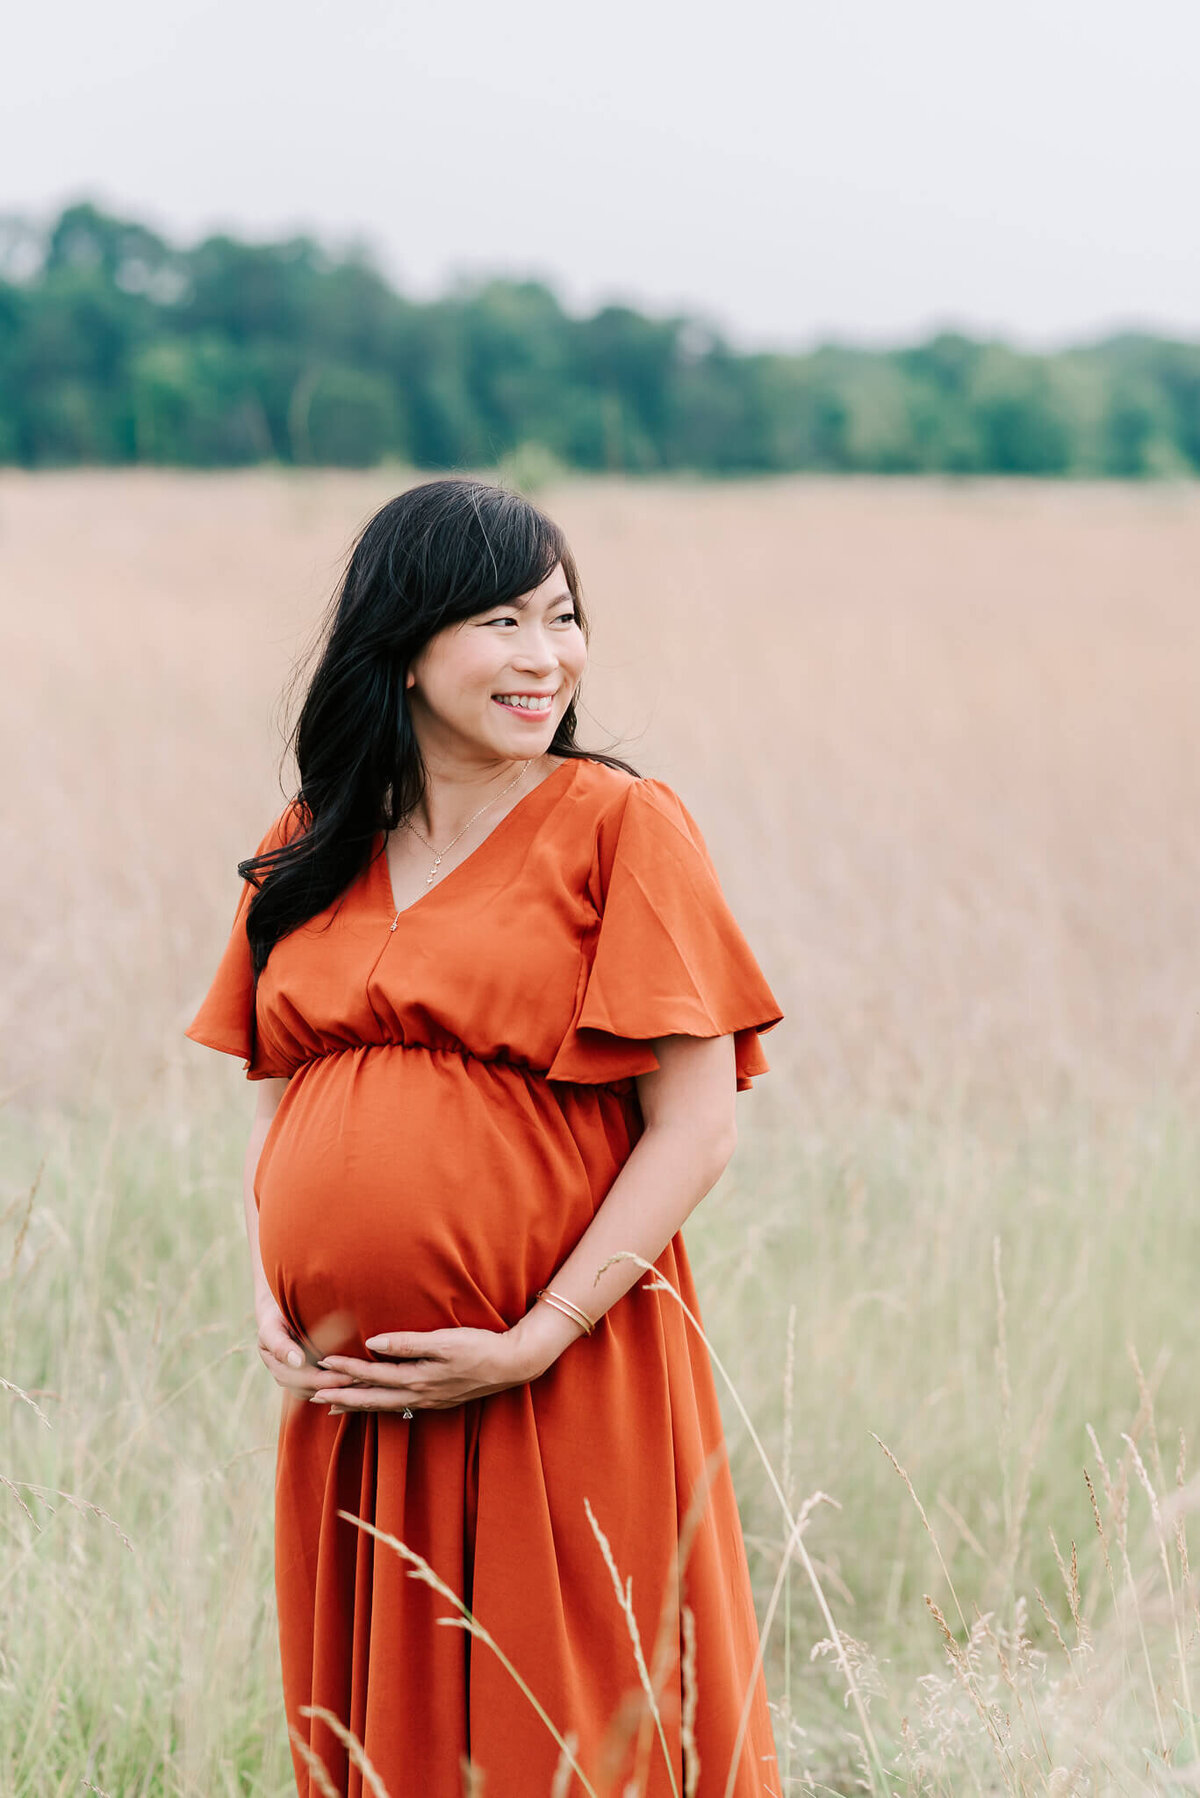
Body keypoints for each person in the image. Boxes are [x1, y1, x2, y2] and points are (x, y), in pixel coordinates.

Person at [185, 478, 785, 1798]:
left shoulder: (623, 825)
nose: (545, 656)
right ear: (404, 644)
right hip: (356, 1401)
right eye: (501, 621)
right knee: (377, 1739)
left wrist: (536, 1334)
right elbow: (278, 1106)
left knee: (567, 1723)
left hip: (561, 1366)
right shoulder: (311, 844)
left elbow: (694, 1124)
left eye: (561, 618)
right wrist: (274, 1295)